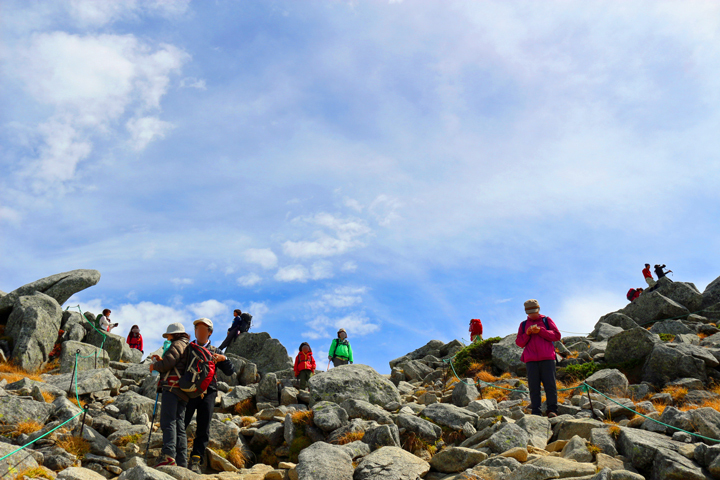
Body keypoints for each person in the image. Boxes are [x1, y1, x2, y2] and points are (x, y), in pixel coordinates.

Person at [185, 318, 235, 474]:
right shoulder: (188, 348)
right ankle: (175, 455)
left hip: (209, 392)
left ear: (209, 333)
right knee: (182, 423)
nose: (199, 332)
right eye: (197, 329)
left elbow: (230, 371)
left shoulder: (216, 351)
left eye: (203, 329)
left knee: (203, 427)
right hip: (189, 391)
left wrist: (224, 359)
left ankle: (196, 460)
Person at [149, 322, 190, 468]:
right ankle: (182, 461)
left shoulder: (177, 344)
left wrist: (155, 366)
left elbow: (168, 364)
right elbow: (174, 363)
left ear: (174, 334)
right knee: (179, 425)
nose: (168, 337)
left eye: (169, 335)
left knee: (168, 422)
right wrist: (162, 361)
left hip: (172, 388)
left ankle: (168, 456)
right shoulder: (187, 345)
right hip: (183, 391)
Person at [515, 299, 561, 418]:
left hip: (547, 358)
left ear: (539, 309)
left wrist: (541, 331)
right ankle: (536, 412)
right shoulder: (523, 324)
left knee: (550, 385)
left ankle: (552, 410)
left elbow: (557, 336)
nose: (532, 315)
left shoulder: (546, 320)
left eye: (534, 312)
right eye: (529, 313)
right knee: (533, 387)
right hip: (531, 360)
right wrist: (527, 334)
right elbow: (519, 343)